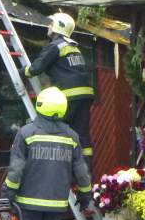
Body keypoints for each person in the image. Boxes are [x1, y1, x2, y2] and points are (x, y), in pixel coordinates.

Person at [0, 87, 93, 220]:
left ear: (39, 106)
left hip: (28, 204)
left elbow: (16, 170)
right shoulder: (71, 137)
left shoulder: (27, 133)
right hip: (56, 205)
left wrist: (7, 195)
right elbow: (81, 170)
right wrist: (85, 195)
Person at [24, 12, 95, 170]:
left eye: (51, 23)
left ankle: (57, 167)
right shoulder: (73, 47)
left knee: (56, 129)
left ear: (58, 26)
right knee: (82, 134)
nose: (48, 26)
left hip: (68, 95)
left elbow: (37, 68)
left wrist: (24, 71)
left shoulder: (55, 45)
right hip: (85, 95)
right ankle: (86, 173)